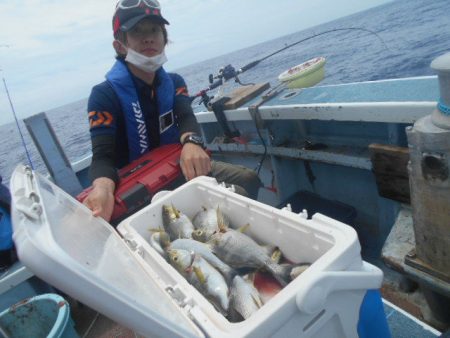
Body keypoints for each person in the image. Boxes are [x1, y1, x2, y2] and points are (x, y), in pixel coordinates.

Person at [83, 0, 262, 222]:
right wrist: (102, 187)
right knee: (239, 197)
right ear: (120, 45)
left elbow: (185, 116)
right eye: (137, 31)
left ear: (164, 39)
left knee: (248, 178)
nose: (148, 37)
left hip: (177, 167)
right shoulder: (104, 95)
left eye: (155, 30)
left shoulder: (175, 82)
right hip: (137, 190)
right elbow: (103, 156)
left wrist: (191, 142)